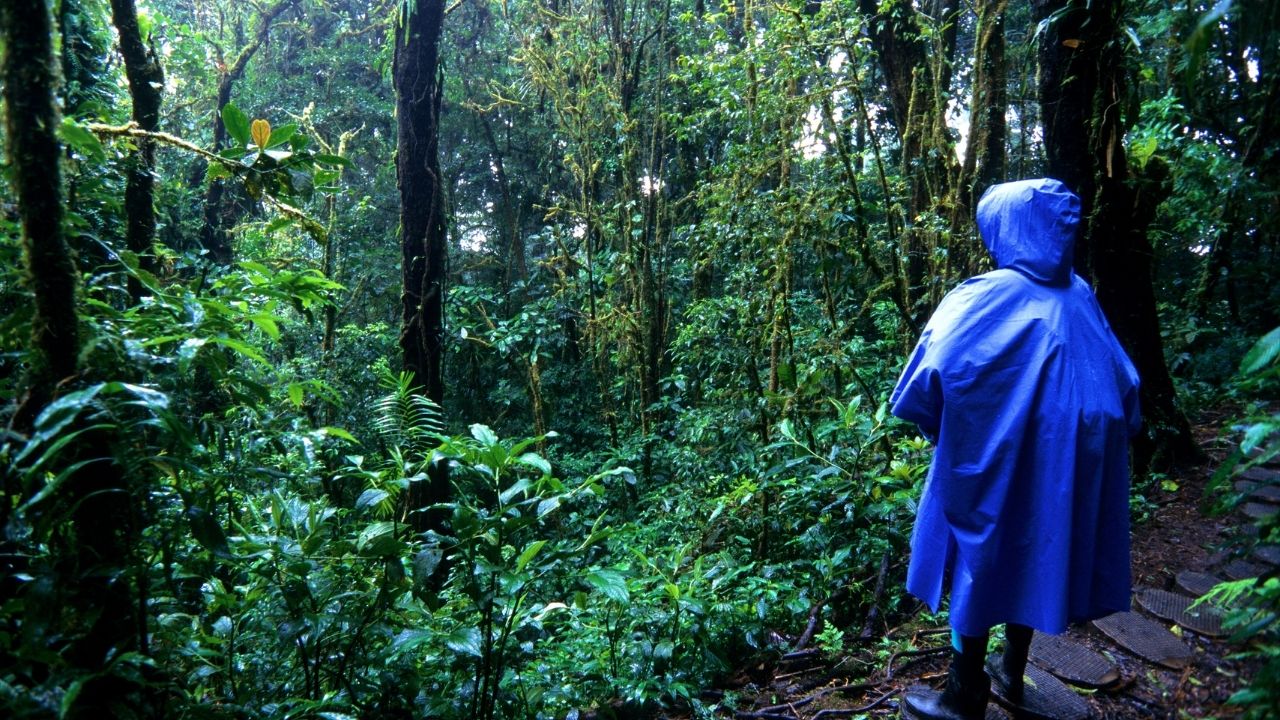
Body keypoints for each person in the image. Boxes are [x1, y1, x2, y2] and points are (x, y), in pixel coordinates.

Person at [890, 178, 1142, 719]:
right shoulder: (1080, 296)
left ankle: (963, 694)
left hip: (992, 459)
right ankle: (1011, 667)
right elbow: (1123, 381)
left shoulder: (983, 294)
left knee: (979, 554)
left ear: (1006, 228)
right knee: (1036, 552)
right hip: (1066, 464)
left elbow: (927, 377)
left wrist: (948, 429)